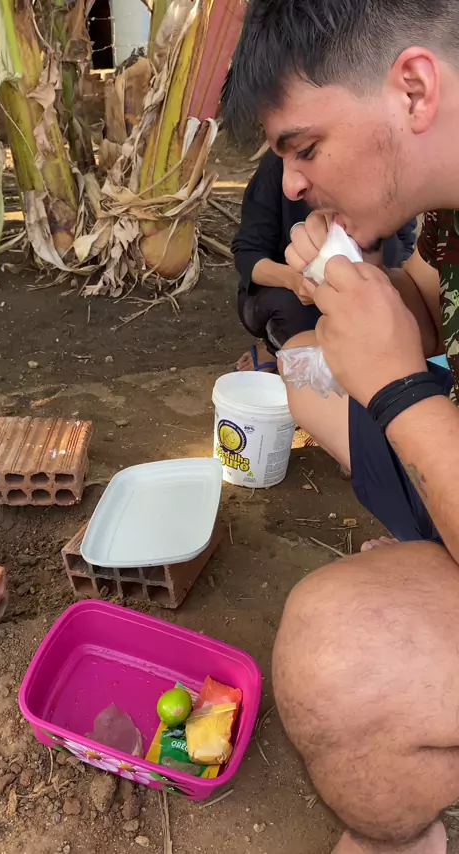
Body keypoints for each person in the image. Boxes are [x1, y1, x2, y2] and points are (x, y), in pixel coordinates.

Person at [222, 2, 459, 853]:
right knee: (317, 382)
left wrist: (398, 387)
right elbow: (433, 327)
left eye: (306, 148)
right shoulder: (443, 210)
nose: (291, 185)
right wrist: (355, 287)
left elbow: (411, 376)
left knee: (342, 662)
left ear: (414, 89)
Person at [233, 149, 417, 372]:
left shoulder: (390, 167)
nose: (293, 187)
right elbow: (248, 253)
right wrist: (295, 280)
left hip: (366, 296)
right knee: (296, 314)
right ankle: (275, 347)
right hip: (290, 296)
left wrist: (379, 274)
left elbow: (405, 244)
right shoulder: (280, 165)